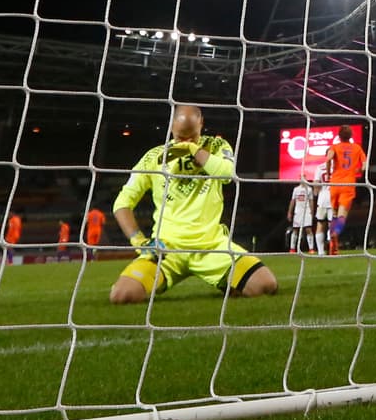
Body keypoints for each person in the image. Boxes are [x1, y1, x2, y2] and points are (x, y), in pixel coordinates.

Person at [109, 104, 277, 303]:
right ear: (171, 127)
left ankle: (225, 280)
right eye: (181, 138)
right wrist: (138, 240)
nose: (186, 142)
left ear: (201, 124)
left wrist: (193, 149)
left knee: (266, 285)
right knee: (122, 296)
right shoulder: (153, 158)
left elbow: (226, 175)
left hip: (213, 247)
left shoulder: (216, 147)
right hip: (167, 250)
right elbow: (122, 203)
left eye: (192, 137)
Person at [324, 126, 366, 254]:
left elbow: (328, 158)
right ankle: (336, 233)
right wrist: (359, 171)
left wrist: (328, 173)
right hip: (348, 184)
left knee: (334, 215)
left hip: (335, 183)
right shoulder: (357, 148)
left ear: (339, 136)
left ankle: (334, 248)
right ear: (351, 136)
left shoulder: (334, 147)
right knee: (342, 214)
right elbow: (364, 165)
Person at [285, 174, 316, 254]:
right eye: (301, 177)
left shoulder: (309, 189)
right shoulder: (296, 189)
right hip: (298, 212)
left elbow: (311, 201)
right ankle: (292, 249)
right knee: (295, 230)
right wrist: (289, 212)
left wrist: (312, 212)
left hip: (306, 212)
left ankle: (311, 248)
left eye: (304, 177)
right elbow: (293, 201)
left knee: (308, 229)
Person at [311, 165, 333, 256]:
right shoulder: (338, 166)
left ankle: (320, 251)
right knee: (332, 224)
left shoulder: (319, 167)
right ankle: (329, 240)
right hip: (333, 199)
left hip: (322, 200)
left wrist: (315, 193)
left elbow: (316, 183)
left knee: (320, 224)